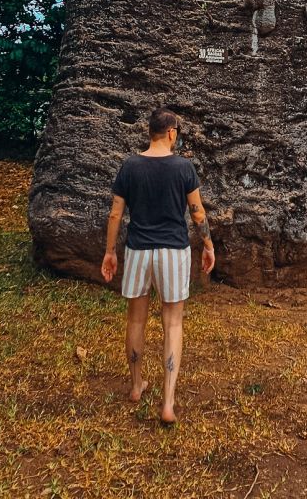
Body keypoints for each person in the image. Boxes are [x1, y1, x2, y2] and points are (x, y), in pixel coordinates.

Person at [101, 107, 214, 425]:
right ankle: (167, 403)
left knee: (136, 321)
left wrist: (110, 252)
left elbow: (115, 215)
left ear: (150, 132)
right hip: (173, 252)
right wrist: (208, 245)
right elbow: (198, 214)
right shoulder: (183, 168)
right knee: (172, 324)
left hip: (138, 250)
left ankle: (137, 386)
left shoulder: (130, 166)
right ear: (172, 133)